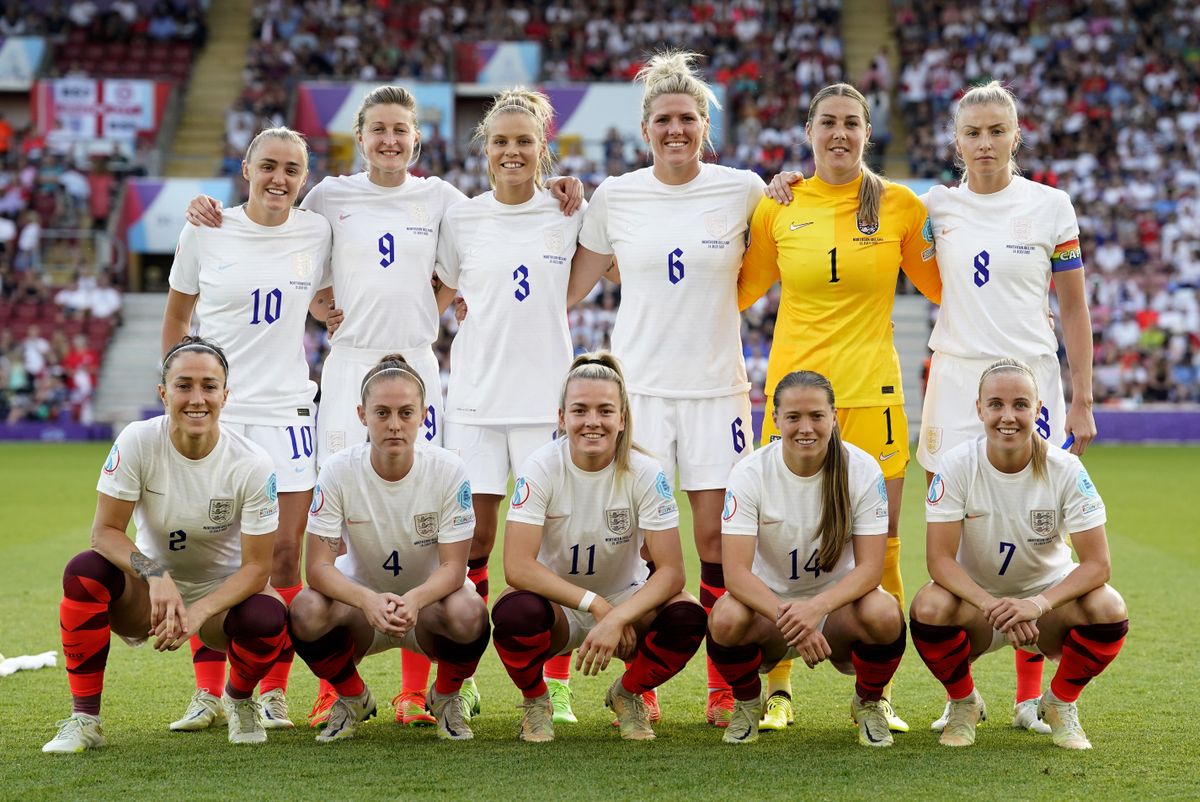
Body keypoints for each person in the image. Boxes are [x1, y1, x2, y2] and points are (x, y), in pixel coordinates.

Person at [184, 87, 581, 727]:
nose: (390, 140)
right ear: (361, 138)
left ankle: (415, 691)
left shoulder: (443, 200)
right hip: (348, 367)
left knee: (419, 516)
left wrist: (449, 295)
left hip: (419, 363)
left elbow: (480, 249)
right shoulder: (329, 197)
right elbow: (288, 246)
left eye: (401, 130)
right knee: (339, 522)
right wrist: (223, 221)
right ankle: (330, 682)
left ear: (416, 139)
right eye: (378, 130)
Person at [567, 50, 767, 727]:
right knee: (644, 547)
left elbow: (788, 242)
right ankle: (641, 679)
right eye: (663, 119)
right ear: (644, 128)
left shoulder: (745, 189)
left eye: (688, 118)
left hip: (717, 391)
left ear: (705, 124)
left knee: (716, 541)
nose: (676, 129)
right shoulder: (616, 196)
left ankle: (722, 683)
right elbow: (569, 287)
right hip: (641, 392)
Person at [746, 82, 941, 733]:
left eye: (851, 123)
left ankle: (872, 695)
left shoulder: (901, 206)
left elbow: (945, 286)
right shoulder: (777, 207)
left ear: (867, 131)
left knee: (881, 546)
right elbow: (737, 289)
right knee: (777, 537)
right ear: (808, 131)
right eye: (827, 122)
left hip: (876, 398)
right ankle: (777, 689)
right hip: (794, 401)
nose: (839, 133)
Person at [915, 81, 1098, 735]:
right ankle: (960, 693)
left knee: (1036, 534)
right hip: (957, 378)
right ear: (956, 140)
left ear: (1016, 134)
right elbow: (858, 206)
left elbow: (1074, 308)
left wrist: (1080, 397)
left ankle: (1030, 698)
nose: (985, 143)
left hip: (1033, 381)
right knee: (956, 538)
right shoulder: (935, 208)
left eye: (997, 130)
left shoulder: (1051, 206)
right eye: (973, 133)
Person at [162, 126, 333, 732]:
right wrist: (180, 400)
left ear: (304, 179)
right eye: (268, 165)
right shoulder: (206, 229)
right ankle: (209, 692)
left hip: (288, 411)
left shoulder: (317, 230)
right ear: (246, 168)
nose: (279, 178)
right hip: (222, 415)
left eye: (291, 168)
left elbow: (336, 291)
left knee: (284, 555)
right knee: (215, 554)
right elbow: (179, 316)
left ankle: (273, 691)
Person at [42, 338, 287, 752]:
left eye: (209, 386)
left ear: (226, 395)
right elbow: (103, 533)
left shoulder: (253, 462)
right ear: (163, 393)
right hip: (149, 594)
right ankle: (84, 719)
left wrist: (200, 611)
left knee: (269, 616)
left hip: (221, 600)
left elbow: (257, 569)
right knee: (84, 571)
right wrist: (155, 574)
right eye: (184, 385)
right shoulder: (138, 440)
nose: (197, 399)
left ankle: (239, 699)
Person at [435, 87, 586, 724]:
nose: (512, 151)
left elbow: (583, 280)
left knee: (551, 543)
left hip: (545, 407)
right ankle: (462, 675)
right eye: (500, 141)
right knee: (473, 538)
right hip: (473, 403)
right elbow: (436, 293)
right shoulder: (462, 217)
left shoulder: (570, 209)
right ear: (485, 149)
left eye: (524, 140)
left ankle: (555, 682)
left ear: (542, 148)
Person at [911, 358, 1128, 750]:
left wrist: (1038, 605)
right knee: (928, 605)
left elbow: (1099, 565)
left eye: (1020, 405)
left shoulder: (1066, 469)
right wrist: (992, 604)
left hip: (1047, 610)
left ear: (1038, 408)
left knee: (1109, 608)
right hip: (978, 607)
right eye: (995, 404)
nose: (1007, 416)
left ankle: (1059, 703)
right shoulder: (956, 466)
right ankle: (964, 704)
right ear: (979, 409)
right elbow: (939, 560)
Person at [491, 353, 707, 742]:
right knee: (514, 611)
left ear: (622, 418)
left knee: (687, 616)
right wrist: (596, 605)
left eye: (605, 410)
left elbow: (673, 571)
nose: (593, 421)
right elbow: (517, 567)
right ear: (561, 419)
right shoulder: (540, 467)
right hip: (558, 607)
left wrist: (618, 616)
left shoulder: (646, 472)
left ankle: (629, 693)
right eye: (580, 410)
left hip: (627, 601)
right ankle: (536, 700)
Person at [288, 354, 490, 742]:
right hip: (361, 613)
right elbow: (317, 568)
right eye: (382, 413)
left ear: (423, 415)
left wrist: (413, 599)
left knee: (470, 610)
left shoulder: (448, 470)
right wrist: (367, 600)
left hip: (428, 610)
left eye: (405, 412)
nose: (394, 424)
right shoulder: (338, 470)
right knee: (306, 609)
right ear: (362, 415)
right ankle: (352, 698)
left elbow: (453, 568)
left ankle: (445, 697)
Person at [707, 371, 907, 747]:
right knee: (726, 616)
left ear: (834, 417)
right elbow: (734, 574)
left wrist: (817, 609)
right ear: (776, 419)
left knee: (884, 612)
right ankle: (749, 703)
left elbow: (869, 569)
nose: (806, 428)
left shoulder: (862, 470)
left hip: (838, 613)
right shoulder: (750, 473)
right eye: (794, 417)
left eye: (817, 416)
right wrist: (792, 616)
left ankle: (868, 703)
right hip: (771, 613)